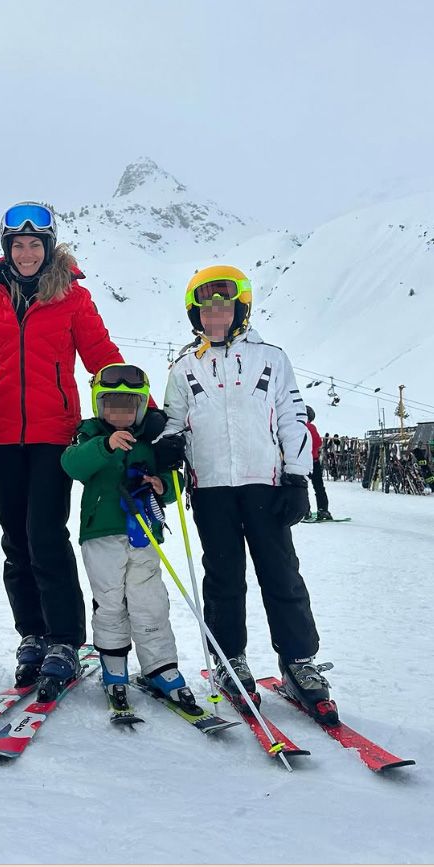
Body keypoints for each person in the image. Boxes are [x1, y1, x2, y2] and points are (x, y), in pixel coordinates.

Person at [159, 265, 337, 724]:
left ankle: (299, 661)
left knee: (281, 574)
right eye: (206, 306)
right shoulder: (183, 367)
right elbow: (173, 423)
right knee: (223, 577)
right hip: (212, 488)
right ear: (194, 313)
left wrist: (297, 477)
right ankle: (229, 659)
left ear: (241, 308)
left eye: (224, 304)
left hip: (266, 484)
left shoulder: (271, 358)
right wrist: (170, 446)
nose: (215, 312)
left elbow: (292, 418)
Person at [0, 201, 124, 696]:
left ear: (48, 248)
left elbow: (103, 358)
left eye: (35, 244)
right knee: (15, 539)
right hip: (1, 436)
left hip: (54, 435)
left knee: (45, 535)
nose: (27, 252)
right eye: (18, 245)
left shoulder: (73, 299)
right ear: (6, 250)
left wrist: (140, 406)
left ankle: (64, 639)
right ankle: (31, 635)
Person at [61, 363, 201, 714]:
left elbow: (174, 482)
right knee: (110, 600)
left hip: (144, 533)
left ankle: (161, 666)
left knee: (148, 600)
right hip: (102, 533)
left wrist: (163, 485)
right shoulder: (89, 433)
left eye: (129, 406)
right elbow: (72, 465)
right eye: (111, 405)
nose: (120, 414)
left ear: (140, 407)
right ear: (99, 404)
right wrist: (104, 446)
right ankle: (113, 664)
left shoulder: (151, 438)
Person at [304, 405, 332, 521]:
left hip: (301, 462)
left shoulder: (295, 426)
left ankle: (305, 511)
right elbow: (318, 442)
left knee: (302, 487)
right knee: (319, 487)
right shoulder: (310, 427)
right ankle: (323, 510)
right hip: (313, 461)